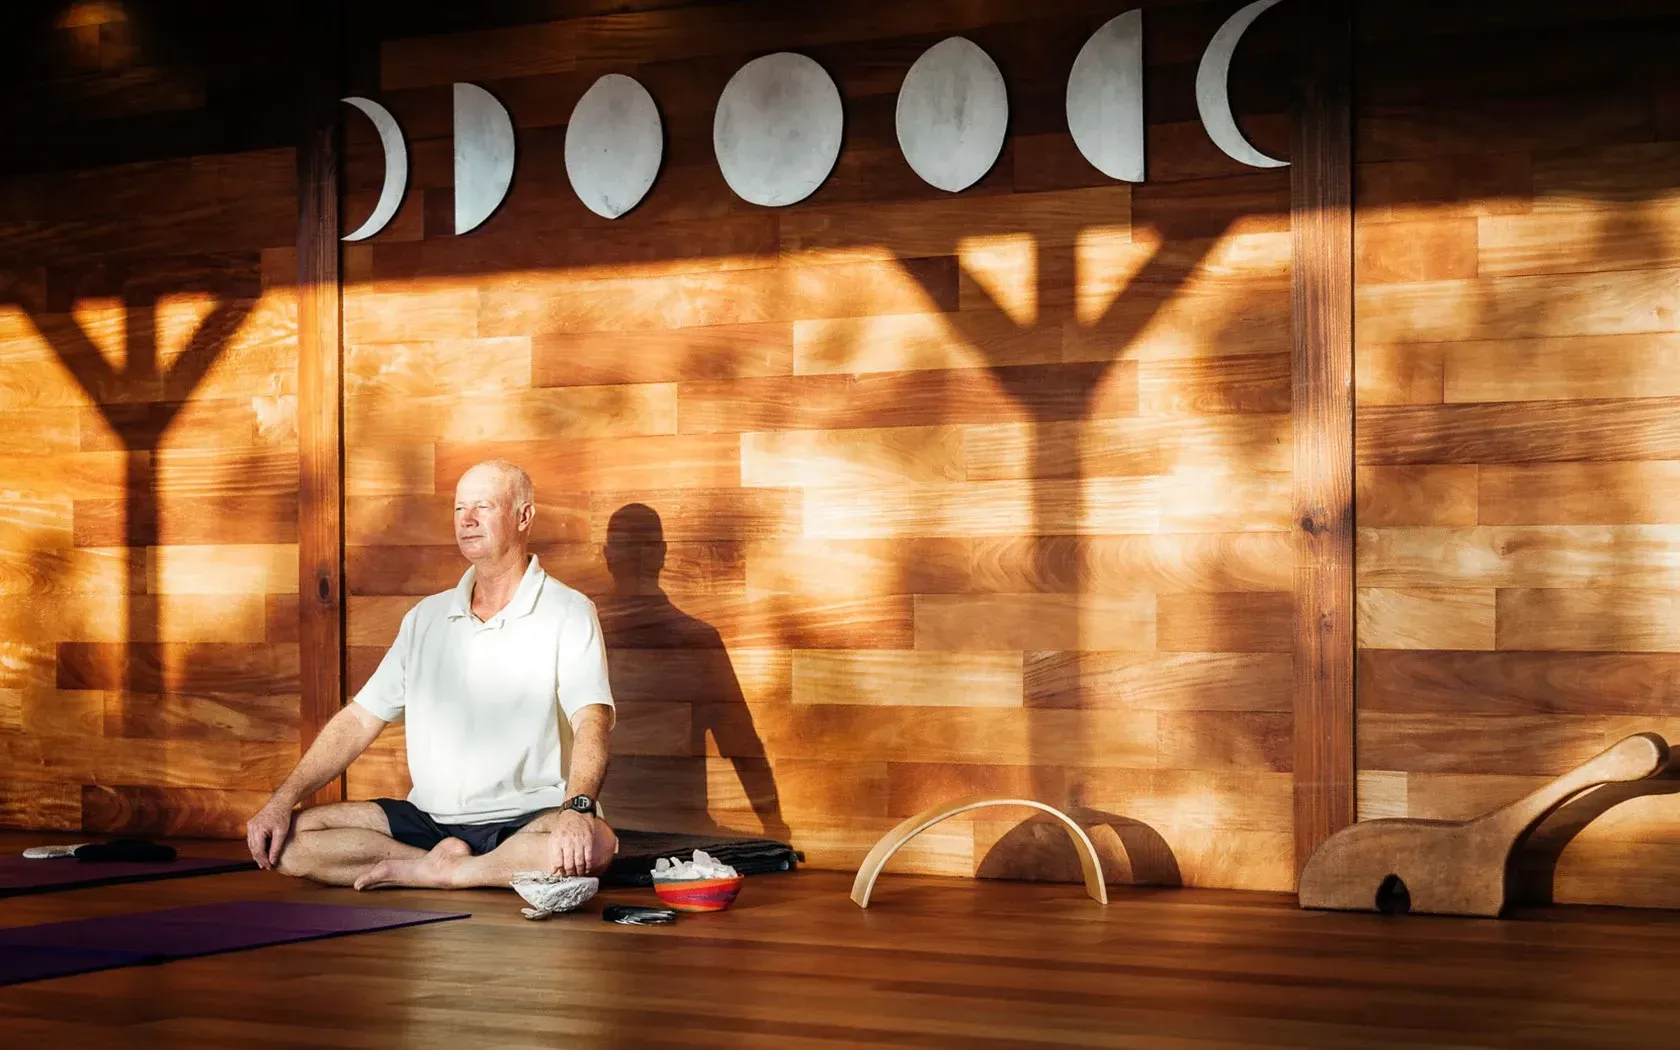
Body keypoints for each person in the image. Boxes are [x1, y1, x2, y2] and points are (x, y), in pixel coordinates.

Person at [245, 459, 618, 890]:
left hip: (529, 816)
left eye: (484, 506)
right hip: (429, 819)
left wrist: (578, 807)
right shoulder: (425, 617)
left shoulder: (568, 611)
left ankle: (450, 872)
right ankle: (437, 866)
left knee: (596, 845)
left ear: (524, 516)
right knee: (291, 839)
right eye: (460, 509)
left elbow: (591, 720)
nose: (468, 521)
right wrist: (282, 799)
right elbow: (358, 720)